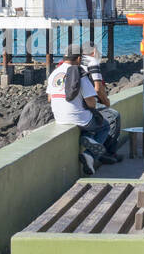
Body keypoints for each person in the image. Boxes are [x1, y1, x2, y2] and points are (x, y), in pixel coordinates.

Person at [47, 44, 121, 173]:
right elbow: (91, 102)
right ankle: (90, 155)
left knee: (88, 123)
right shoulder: (79, 72)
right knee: (104, 125)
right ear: (79, 58)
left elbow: (49, 99)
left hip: (59, 118)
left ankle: (88, 138)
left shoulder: (54, 73)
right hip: (78, 118)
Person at [81, 42, 122, 155]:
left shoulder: (78, 61)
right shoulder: (92, 61)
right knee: (114, 116)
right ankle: (108, 153)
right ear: (94, 51)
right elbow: (98, 89)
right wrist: (106, 102)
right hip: (86, 101)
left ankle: (88, 137)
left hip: (73, 102)